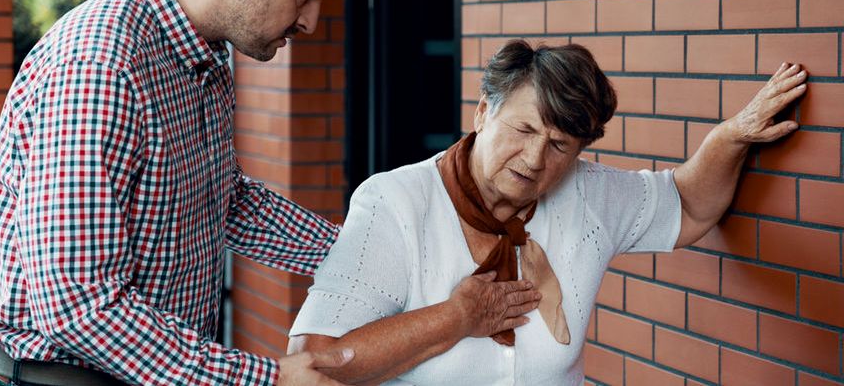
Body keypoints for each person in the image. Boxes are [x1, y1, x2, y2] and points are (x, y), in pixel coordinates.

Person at [0, 0, 538, 385]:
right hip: (62, 379)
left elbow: (226, 202)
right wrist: (267, 378)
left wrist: (382, 256)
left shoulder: (202, 58)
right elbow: (76, 304)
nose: (310, 21)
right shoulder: (101, 67)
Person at [288, 39, 808, 385]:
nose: (536, 160)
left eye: (561, 146)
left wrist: (731, 137)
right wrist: (456, 318)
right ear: (483, 111)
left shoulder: (589, 195)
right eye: (524, 131)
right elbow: (314, 364)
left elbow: (690, 204)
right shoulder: (394, 203)